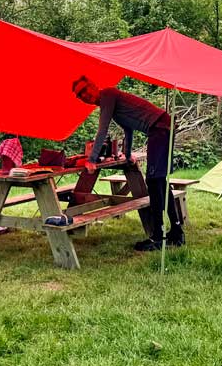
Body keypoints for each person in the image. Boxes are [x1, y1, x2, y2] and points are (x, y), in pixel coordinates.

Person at [71, 75, 184, 251]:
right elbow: (128, 129)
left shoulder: (108, 95)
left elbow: (103, 129)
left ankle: (158, 237)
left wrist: (92, 160)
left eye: (85, 90)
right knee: (160, 180)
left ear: (93, 85)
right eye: (80, 95)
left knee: (154, 182)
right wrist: (128, 154)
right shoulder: (111, 103)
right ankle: (176, 233)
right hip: (162, 127)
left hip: (159, 128)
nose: (85, 95)